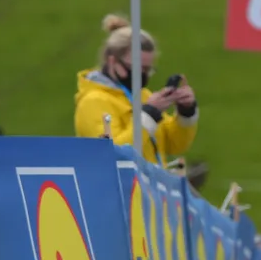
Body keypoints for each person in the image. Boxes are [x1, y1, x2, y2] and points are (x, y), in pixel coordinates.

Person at [75, 14, 199, 165]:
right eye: (138, 69)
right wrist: (148, 115)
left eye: (148, 69)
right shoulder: (93, 102)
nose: (144, 76)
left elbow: (174, 144)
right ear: (112, 60)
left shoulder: (142, 95)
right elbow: (114, 154)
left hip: (148, 187)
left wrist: (186, 112)